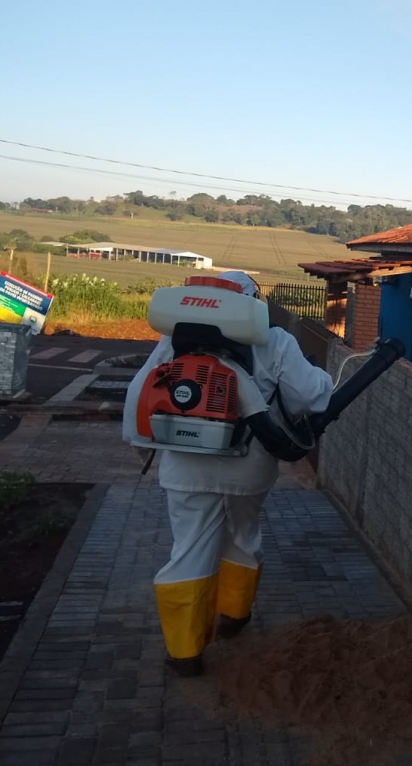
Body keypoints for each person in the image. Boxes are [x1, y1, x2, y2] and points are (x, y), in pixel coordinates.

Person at [122, 271, 334, 676]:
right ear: (252, 302)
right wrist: (321, 377)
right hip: (248, 467)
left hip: (185, 466)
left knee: (189, 547)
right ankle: (234, 616)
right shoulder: (274, 341)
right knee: (243, 535)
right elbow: (311, 396)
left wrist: (141, 445)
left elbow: (138, 396)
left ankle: (185, 651)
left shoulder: (174, 339)